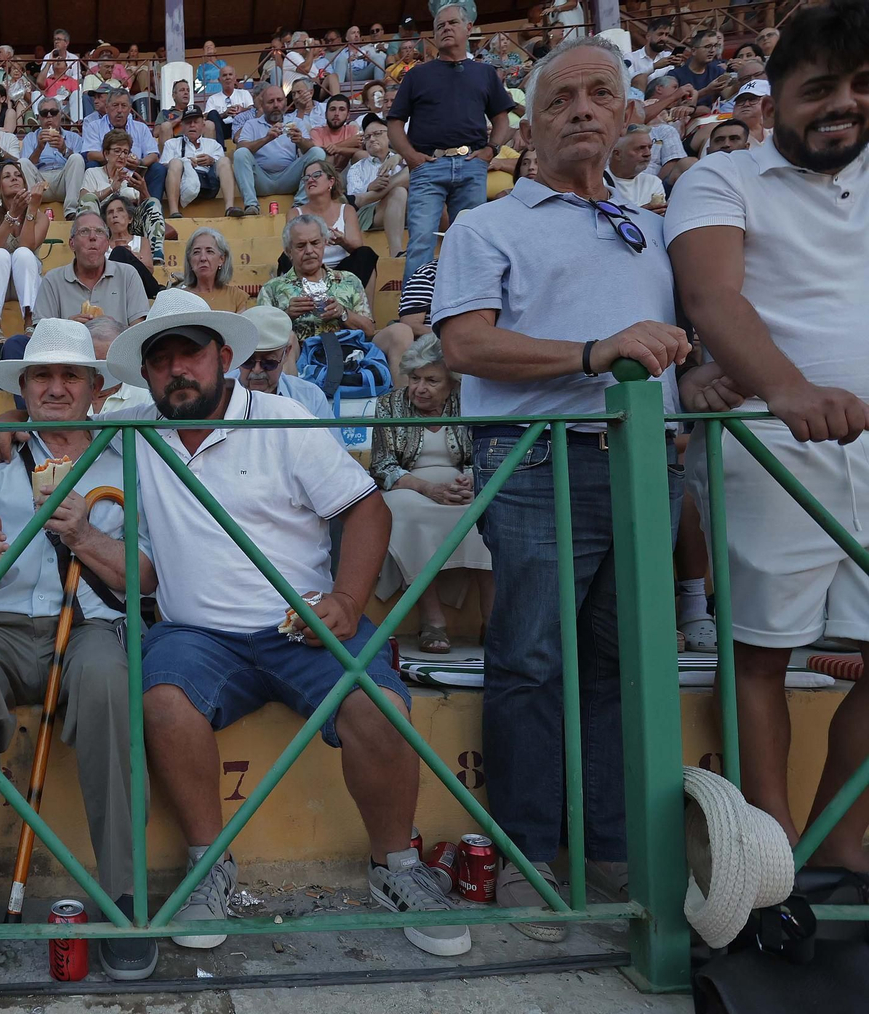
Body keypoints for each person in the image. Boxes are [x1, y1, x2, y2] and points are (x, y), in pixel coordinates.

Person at [68, 288, 467, 959]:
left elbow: (368, 511)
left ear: (224, 355)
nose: (176, 370)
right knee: (162, 698)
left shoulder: (281, 418)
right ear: (147, 374)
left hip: (301, 623)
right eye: (159, 359)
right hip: (196, 636)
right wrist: (9, 432)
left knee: (378, 704)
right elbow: (60, 422)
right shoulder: (136, 430)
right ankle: (207, 867)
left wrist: (344, 598)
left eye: (188, 353)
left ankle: (396, 867)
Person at [434, 34, 689, 940]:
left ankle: (618, 848)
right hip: (540, 457)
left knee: (628, 661)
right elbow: (462, 345)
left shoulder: (653, 226)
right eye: (560, 99)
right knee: (533, 659)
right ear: (530, 129)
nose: (582, 109)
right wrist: (595, 354)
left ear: (626, 113)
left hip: (647, 460)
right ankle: (530, 853)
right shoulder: (487, 225)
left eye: (600, 93)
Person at [667, 0, 869, 870]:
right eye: (819, 89)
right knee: (759, 651)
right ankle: (771, 851)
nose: (844, 105)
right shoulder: (724, 178)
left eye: (861, 87)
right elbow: (714, 297)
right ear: (773, 99)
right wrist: (787, 390)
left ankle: (840, 837)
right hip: (770, 443)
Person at [0, 318, 157, 980]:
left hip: (88, 625)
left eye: (70, 376)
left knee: (112, 684)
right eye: (42, 376)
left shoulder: (129, 452)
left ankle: (123, 895)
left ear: (95, 388)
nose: (56, 387)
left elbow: (145, 574)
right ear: (23, 386)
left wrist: (85, 536)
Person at [370, 334, 492, 653]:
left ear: (452, 382)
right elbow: (382, 466)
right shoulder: (388, 405)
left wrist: (470, 480)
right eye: (415, 378)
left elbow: (486, 453)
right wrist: (428, 489)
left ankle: (493, 621)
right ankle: (432, 620)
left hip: (462, 487)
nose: (420, 388)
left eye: (431, 380)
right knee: (407, 512)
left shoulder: (470, 401)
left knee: (485, 511)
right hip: (408, 487)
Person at [387, 4, 514, 281]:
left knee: (472, 241)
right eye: (440, 25)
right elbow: (394, 122)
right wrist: (411, 157)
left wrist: (490, 151)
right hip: (428, 166)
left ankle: (470, 311)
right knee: (421, 241)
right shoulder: (418, 75)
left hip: (472, 166)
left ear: (468, 28)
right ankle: (414, 314)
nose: (445, 28)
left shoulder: (484, 73)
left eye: (452, 23)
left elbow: (502, 119)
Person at [258, 214, 375, 344]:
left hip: (346, 356)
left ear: (325, 243)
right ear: (288, 251)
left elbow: (369, 331)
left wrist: (342, 313)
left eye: (315, 243)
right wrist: (287, 316)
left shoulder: (349, 280)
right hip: (295, 359)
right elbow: (261, 337)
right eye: (301, 245)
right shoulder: (272, 288)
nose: (309, 250)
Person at [232, 84, 330, 216]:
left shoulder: (296, 122)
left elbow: (311, 150)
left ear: (285, 102)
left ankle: (299, 204)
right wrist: (266, 138)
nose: (276, 105)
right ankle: (251, 205)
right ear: (262, 105)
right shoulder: (252, 124)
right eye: (271, 102)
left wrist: (300, 140)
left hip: (289, 178)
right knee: (240, 153)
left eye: (279, 100)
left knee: (318, 152)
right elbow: (240, 147)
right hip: (262, 180)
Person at [289, 159, 380, 295]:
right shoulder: (295, 213)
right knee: (284, 259)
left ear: (330, 182)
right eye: (306, 177)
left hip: (342, 271)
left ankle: (366, 314)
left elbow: (357, 246)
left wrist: (342, 241)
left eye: (316, 175)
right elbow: (290, 249)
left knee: (365, 254)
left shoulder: (346, 209)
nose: (310, 180)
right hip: (308, 269)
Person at [236, 305, 336, 429]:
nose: (257, 370)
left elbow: (330, 447)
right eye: (248, 362)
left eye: (268, 362)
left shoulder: (311, 397)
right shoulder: (219, 393)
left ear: (286, 353)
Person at [78, 130, 168, 265]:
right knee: (89, 200)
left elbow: (146, 208)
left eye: (126, 152)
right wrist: (111, 189)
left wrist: (143, 190)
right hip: (100, 226)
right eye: (117, 151)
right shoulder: (93, 173)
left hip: (128, 226)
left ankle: (155, 255)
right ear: (106, 154)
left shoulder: (130, 176)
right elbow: (84, 199)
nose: (122, 156)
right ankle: (87, 249)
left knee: (153, 201)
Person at [0, 160, 48, 319]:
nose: (14, 178)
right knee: (0, 254)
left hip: (27, 284)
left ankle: (30, 320)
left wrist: (31, 210)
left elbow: (27, 246)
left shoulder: (41, 217)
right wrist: (12, 215)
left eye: (18, 175)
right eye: (7, 176)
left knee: (23, 253)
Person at [346, 117, 410, 261]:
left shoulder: (401, 160)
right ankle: (396, 251)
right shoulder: (357, 168)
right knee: (399, 191)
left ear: (389, 136)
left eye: (377, 133)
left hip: (406, 207)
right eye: (367, 137)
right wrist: (369, 187)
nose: (371, 139)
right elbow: (354, 202)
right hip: (369, 213)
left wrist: (399, 157)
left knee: (413, 170)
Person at [159, 107, 238, 218]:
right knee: (175, 163)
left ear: (203, 125)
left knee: (224, 160)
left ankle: (229, 208)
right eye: (188, 122)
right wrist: (184, 162)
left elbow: (222, 166)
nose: (192, 125)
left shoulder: (213, 144)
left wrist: (212, 161)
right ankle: (174, 212)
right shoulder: (171, 144)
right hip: (182, 187)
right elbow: (164, 166)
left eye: (196, 122)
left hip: (208, 186)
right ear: (182, 126)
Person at [21, 99, 86, 219]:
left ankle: (71, 212)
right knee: (22, 162)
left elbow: (80, 165)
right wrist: (39, 148)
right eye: (44, 113)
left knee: (76, 158)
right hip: (40, 181)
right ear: (39, 118)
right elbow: (26, 167)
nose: (49, 116)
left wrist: (64, 149)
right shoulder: (30, 138)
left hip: (64, 182)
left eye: (54, 112)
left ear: (60, 115)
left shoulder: (74, 137)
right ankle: (31, 211)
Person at [180, 227, 252, 313]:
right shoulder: (180, 298)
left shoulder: (237, 297)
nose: (203, 258)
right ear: (189, 260)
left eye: (209, 251)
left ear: (221, 259)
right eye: (196, 252)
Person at [606, 124, 667, 212]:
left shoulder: (653, 182)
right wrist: (641, 214)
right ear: (617, 154)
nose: (648, 153)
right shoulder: (599, 183)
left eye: (649, 147)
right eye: (640, 148)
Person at [669, 30, 732, 112]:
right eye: (707, 46)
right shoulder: (675, 75)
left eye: (715, 46)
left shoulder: (717, 71)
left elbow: (728, 94)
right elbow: (674, 105)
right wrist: (706, 91)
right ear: (694, 51)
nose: (712, 50)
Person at [203, 66, 254, 148]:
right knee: (212, 113)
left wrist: (242, 109)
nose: (227, 77)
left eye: (230, 74)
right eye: (224, 75)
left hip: (241, 126)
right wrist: (224, 114)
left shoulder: (244, 93)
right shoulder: (212, 98)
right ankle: (220, 149)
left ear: (235, 78)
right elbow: (206, 116)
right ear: (219, 80)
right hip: (223, 129)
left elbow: (253, 111)